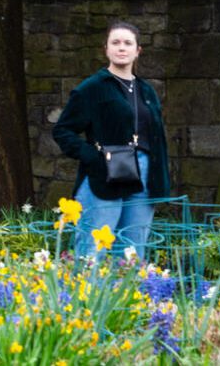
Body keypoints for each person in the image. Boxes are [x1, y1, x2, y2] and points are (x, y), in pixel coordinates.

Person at [51, 21, 171, 262]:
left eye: (128, 43)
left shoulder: (146, 91)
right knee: (93, 250)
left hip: (145, 173)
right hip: (104, 173)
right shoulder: (92, 88)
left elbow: (156, 137)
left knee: (131, 251)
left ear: (138, 50)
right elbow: (63, 131)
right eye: (115, 42)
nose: (121, 48)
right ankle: (88, 299)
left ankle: (126, 298)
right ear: (106, 49)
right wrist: (93, 158)